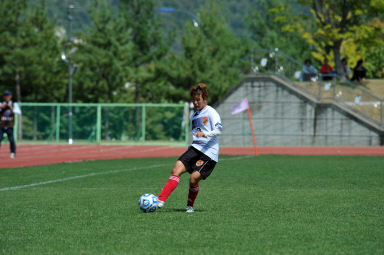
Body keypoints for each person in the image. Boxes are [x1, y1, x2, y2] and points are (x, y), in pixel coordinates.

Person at [157, 83, 223, 213]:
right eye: (194, 100)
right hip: (195, 148)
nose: (195, 102)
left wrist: (205, 134)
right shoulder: (193, 116)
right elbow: (195, 135)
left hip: (209, 153)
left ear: (204, 99)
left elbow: (219, 129)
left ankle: (189, 206)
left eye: (198, 99)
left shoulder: (211, 112)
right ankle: (160, 200)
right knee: (176, 168)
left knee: (193, 179)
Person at [0, 91, 16, 158]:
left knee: (11, 139)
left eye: (8, 95)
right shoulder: (1, 103)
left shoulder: (14, 104)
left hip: (9, 125)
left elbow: (17, 112)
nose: (7, 97)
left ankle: (12, 153)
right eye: (5, 96)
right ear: (3, 97)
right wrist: (1, 107)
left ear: (10, 96)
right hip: (1, 125)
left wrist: (11, 108)